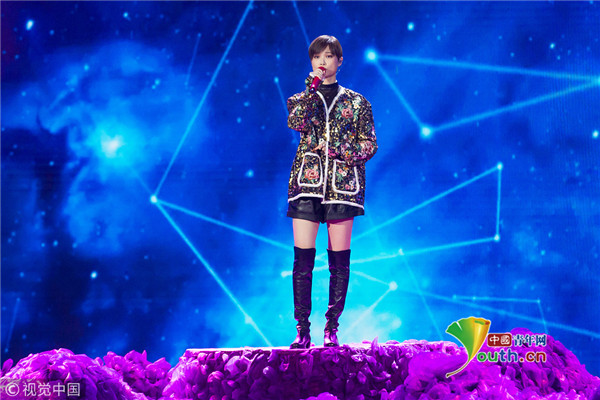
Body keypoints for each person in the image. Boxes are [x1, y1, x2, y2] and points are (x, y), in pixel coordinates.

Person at [286, 35, 378, 348]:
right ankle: (302, 329)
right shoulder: (301, 99)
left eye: (328, 56)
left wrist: (339, 150)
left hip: (343, 187)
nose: (322, 62)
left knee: (339, 262)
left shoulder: (358, 103)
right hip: (307, 184)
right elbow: (296, 122)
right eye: (316, 57)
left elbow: (370, 144)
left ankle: (331, 328)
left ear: (339, 61)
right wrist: (310, 90)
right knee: (303, 261)